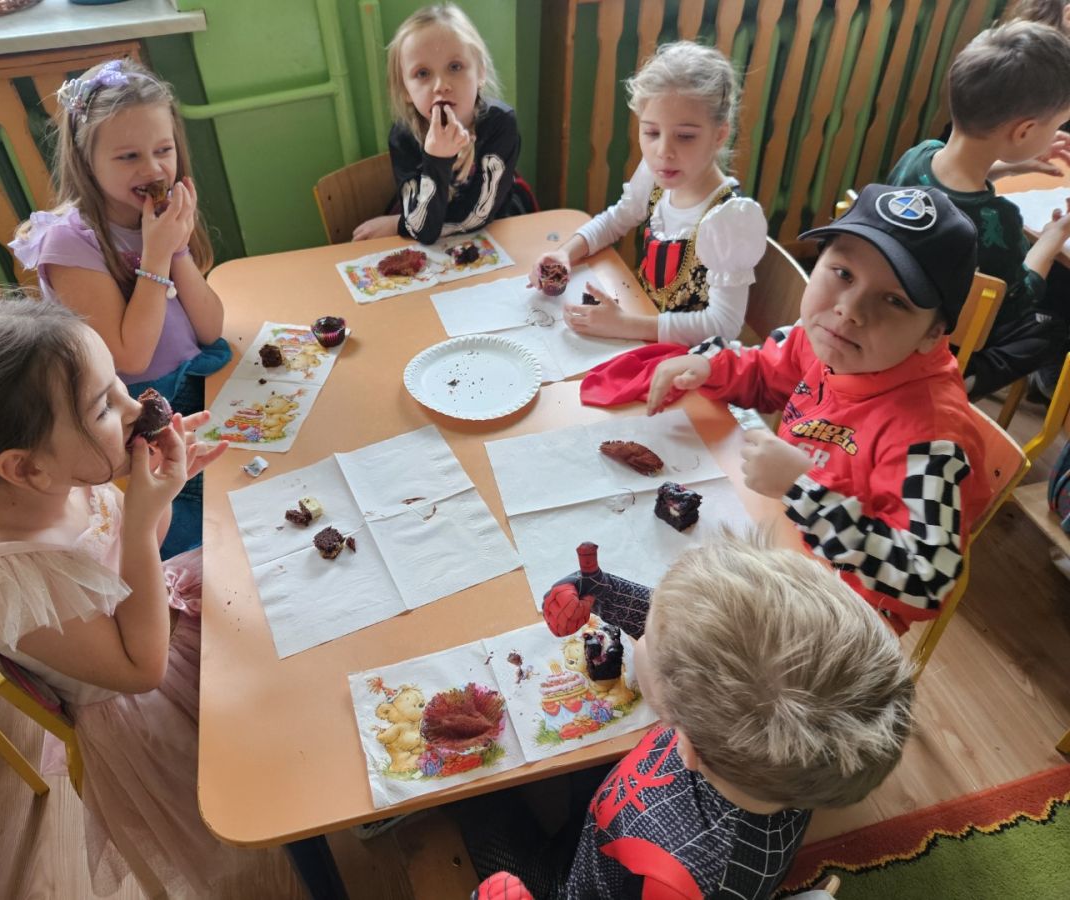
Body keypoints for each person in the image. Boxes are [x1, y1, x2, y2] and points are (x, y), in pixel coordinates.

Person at [0, 298, 238, 897]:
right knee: (252, 764)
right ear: (24, 468)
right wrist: (141, 523)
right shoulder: (5, 578)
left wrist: (157, 497)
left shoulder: (63, 478)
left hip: (164, 614)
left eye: (118, 385)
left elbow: (135, 561)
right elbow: (140, 669)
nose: (135, 408)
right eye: (105, 406)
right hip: (143, 700)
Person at [466, 530, 915, 899]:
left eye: (648, 639)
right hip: (613, 822)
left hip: (583, 886)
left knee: (478, 797)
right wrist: (598, 588)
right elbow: (691, 641)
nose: (643, 634)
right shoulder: (792, 757)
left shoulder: (676, 882)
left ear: (687, 744)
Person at [644, 185, 991, 634]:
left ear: (932, 334)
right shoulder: (825, 339)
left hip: (835, 620)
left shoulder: (931, 435)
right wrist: (710, 366)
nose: (849, 310)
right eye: (843, 273)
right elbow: (766, 372)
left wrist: (801, 489)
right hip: (775, 544)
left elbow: (925, 579)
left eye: (894, 300)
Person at [10, 57, 230, 558]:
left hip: (196, 383)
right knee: (203, 532)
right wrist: (156, 255)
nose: (152, 169)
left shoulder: (157, 217)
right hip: (136, 415)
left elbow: (210, 329)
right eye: (129, 156)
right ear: (86, 161)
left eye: (163, 150)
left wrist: (176, 249)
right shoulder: (69, 244)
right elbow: (130, 358)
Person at [529, 41, 766, 346]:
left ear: (719, 135)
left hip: (686, 358)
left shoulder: (729, 220)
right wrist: (566, 253)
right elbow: (616, 219)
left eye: (685, 136)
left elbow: (724, 325)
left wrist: (626, 325)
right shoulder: (658, 175)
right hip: (639, 326)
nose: (663, 151)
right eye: (652, 132)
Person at [887, 21, 1070, 400]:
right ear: (1024, 132)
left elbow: (953, 180)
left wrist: (1011, 166)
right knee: (1050, 327)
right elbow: (1020, 297)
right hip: (941, 339)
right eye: (1055, 125)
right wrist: (1053, 238)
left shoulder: (919, 154)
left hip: (892, 310)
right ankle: (961, 379)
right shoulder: (996, 219)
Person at [352, 3, 526, 244]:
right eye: (423, 73)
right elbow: (423, 229)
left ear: (480, 73)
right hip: (428, 222)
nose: (441, 86)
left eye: (455, 67)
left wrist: (400, 224)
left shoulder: (500, 123)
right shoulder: (403, 135)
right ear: (405, 90)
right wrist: (437, 159)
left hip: (495, 225)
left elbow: (475, 216)